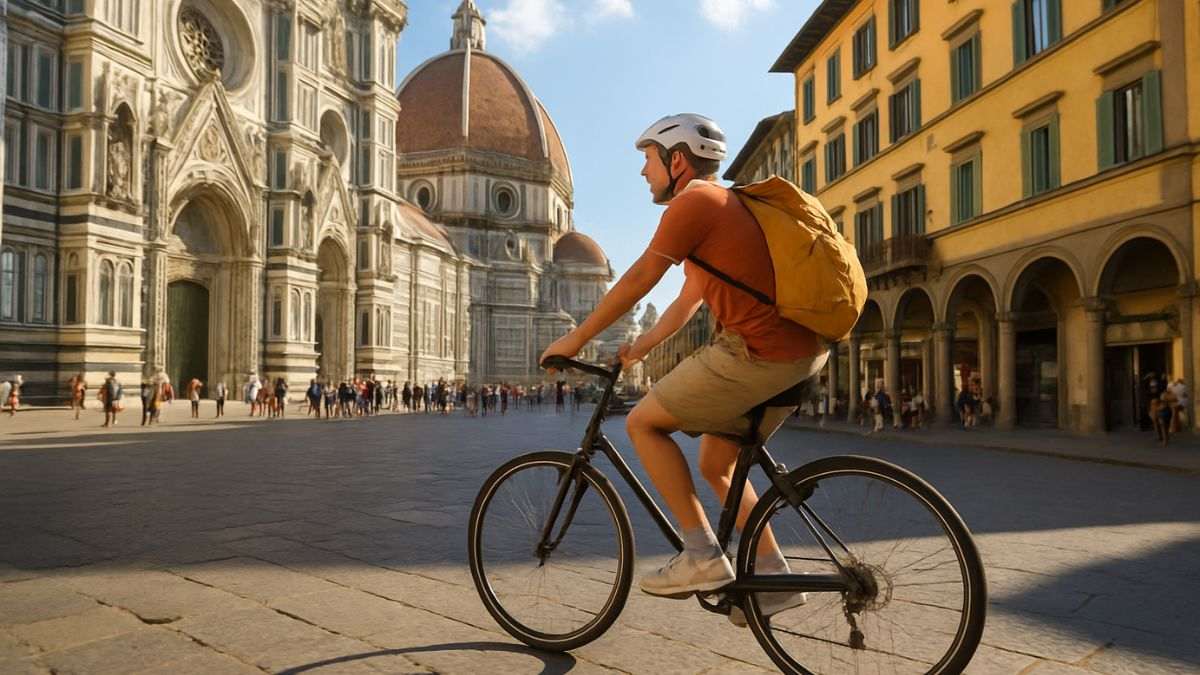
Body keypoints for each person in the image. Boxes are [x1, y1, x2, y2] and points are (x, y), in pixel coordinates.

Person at [539, 114, 825, 622]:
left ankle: (701, 555)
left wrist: (576, 336)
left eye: (648, 160)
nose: (643, 172)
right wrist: (643, 345)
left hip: (757, 351)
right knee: (717, 463)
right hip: (801, 353)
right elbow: (688, 301)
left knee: (642, 423)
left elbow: (640, 278)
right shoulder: (725, 209)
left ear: (676, 160)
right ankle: (775, 577)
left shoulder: (694, 202)